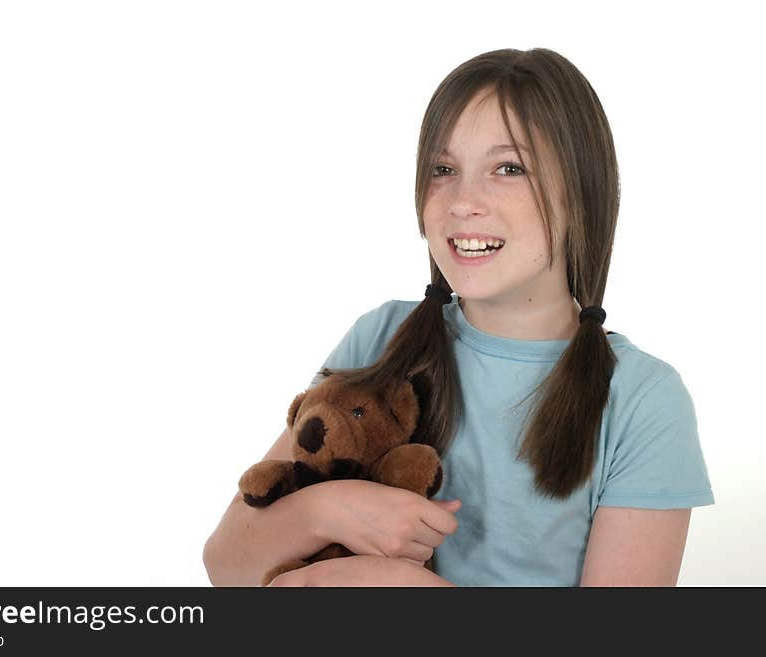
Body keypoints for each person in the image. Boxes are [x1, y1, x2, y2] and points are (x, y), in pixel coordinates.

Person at [202, 47, 715, 586]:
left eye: (509, 168)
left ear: (581, 194)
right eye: (443, 169)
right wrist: (333, 508)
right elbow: (228, 565)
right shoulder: (380, 339)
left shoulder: (642, 397)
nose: (463, 201)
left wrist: (405, 588)